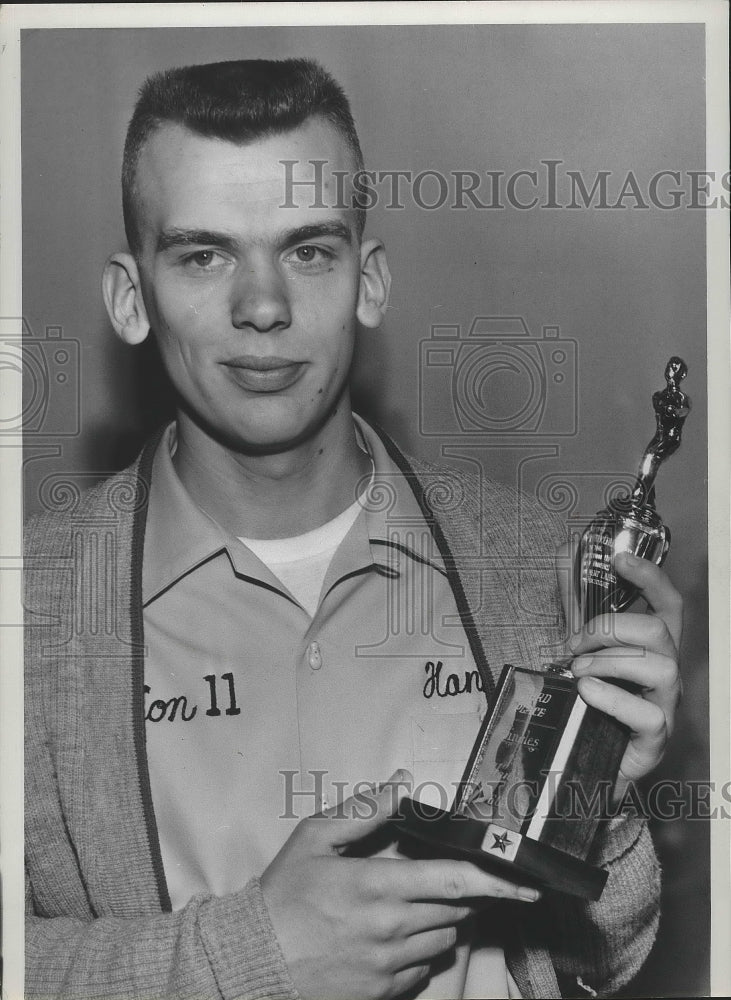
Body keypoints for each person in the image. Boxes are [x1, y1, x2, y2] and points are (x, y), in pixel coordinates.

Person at [24, 58, 682, 1000]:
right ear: (132, 298)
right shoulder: (30, 608)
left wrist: (599, 804)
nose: (263, 307)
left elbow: (592, 963)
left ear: (369, 282)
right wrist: (246, 958)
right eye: (203, 255)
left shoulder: (538, 566)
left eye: (308, 250)